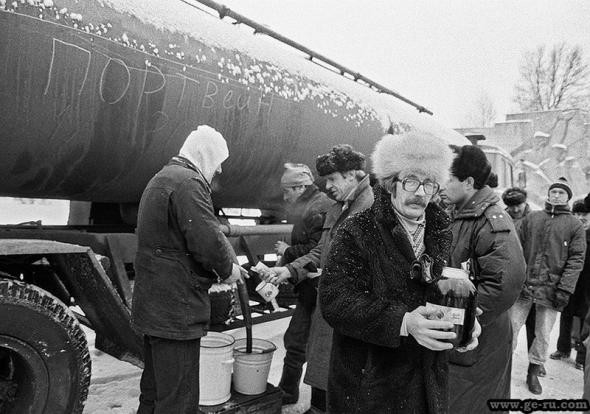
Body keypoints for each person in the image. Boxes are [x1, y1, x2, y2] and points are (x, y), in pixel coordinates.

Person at [319, 132, 480, 413]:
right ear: (391, 183)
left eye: (429, 183)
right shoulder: (357, 231)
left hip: (426, 381)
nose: (420, 192)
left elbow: (443, 290)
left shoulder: (440, 233)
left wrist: (463, 322)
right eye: (411, 181)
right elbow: (335, 302)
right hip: (370, 386)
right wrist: (403, 322)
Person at [131, 126, 247, 414]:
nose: (218, 170)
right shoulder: (189, 183)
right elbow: (207, 240)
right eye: (218, 160)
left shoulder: (161, 178)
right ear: (204, 154)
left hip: (154, 308)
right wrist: (229, 269)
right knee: (179, 401)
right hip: (176, 312)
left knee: (154, 392)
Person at [266, 144, 373, 413]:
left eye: (333, 179)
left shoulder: (370, 208)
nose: (328, 186)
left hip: (349, 310)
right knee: (321, 364)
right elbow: (320, 250)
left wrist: (332, 274)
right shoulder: (339, 208)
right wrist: (289, 270)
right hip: (328, 302)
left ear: (351, 175)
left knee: (341, 374)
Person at [439, 145, 525, 413]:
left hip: (479, 335)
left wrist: (466, 320)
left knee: (469, 402)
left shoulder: (490, 221)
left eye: (448, 178)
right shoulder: (462, 214)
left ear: (468, 182)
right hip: (462, 331)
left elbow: (505, 282)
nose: (441, 185)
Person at [510, 176, 586, 395]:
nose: (555, 195)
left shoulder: (574, 225)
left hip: (552, 290)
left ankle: (533, 371)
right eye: (553, 191)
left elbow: (576, 259)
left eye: (561, 193)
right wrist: (516, 279)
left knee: (543, 334)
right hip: (524, 287)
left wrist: (565, 289)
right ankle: (502, 365)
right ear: (547, 195)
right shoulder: (532, 218)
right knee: (511, 328)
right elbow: (516, 248)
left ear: (568, 198)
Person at [274, 163, 334, 405]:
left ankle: (298, 396)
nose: (285, 196)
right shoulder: (312, 205)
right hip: (309, 286)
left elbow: (318, 250)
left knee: (307, 345)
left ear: (300, 187)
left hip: (317, 287)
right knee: (296, 341)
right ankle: (288, 391)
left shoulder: (317, 208)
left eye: (287, 191)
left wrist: (288, 252)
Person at [502, 187, 544, 375]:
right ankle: (505, 360)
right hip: (513, 278)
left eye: (518, 205)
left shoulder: (536, 219)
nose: (515, 209)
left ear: (525, 202)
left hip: (536, 279)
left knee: (536, 326)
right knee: (513, 323)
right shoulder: (504, 217)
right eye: (511, 206)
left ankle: (535, 364)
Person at [550, 196, 590, 370]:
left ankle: (581, 357)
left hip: (588, 284)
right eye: (578, 213)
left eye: (585, 214)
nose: (581, 217)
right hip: (571, 280)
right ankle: (563, 348)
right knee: (566, 314)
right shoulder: (572, 232)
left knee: (585, 319)